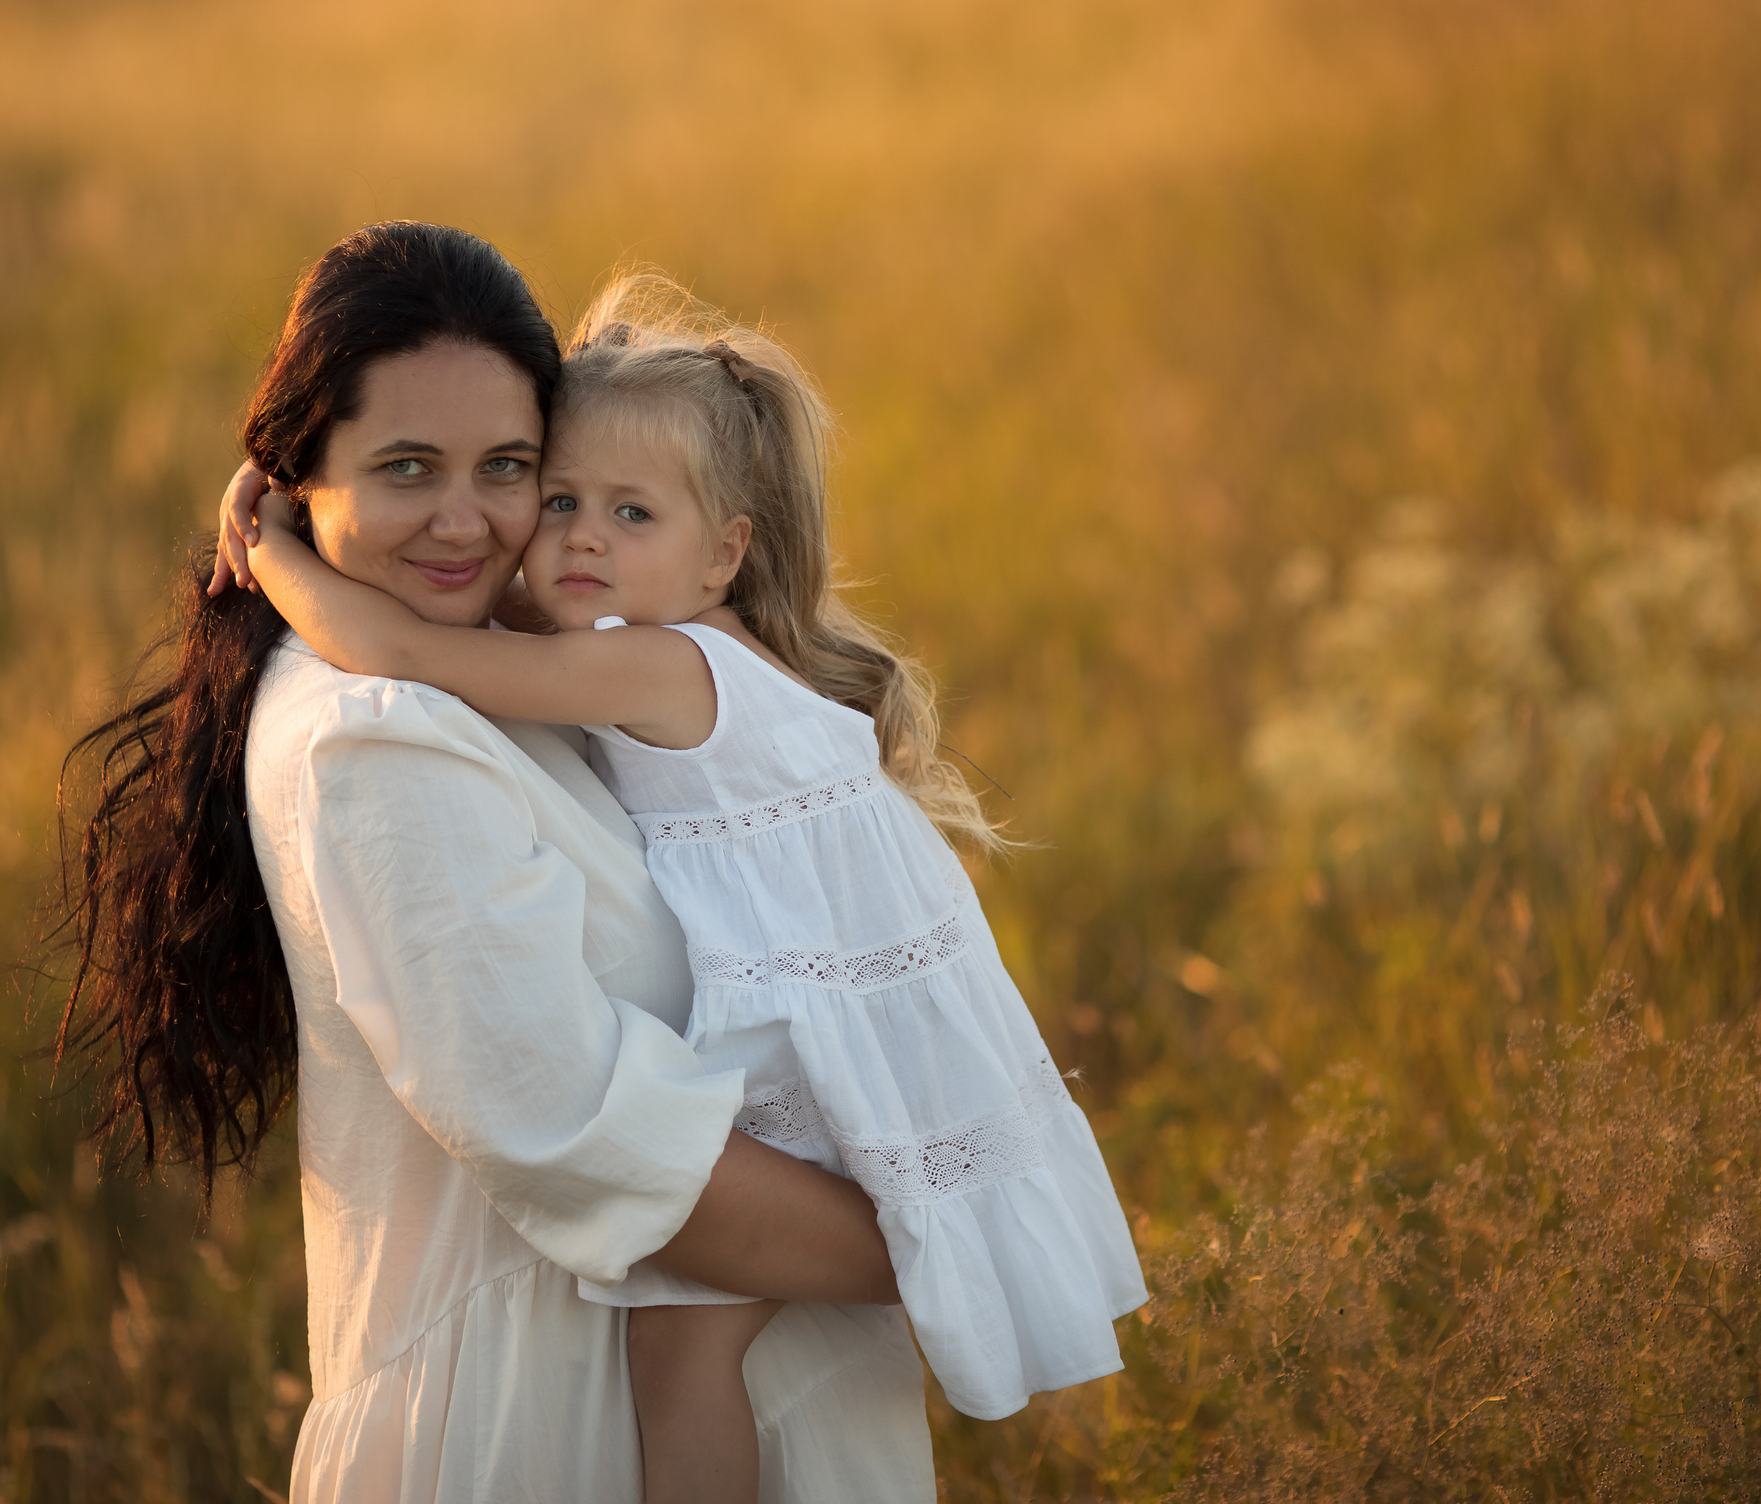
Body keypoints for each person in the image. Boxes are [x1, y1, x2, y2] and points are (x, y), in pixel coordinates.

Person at [215, 273, 1146, 1504]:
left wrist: (274, 549)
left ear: (724, 551)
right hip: (566, 1353)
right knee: (685, 1352)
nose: (565, 539)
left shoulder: (645, 663)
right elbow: (421, 650)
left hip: (809, 1054)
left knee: (685, 1352)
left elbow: (409, 643)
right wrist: (294, 501)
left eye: (510, 472)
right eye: (559, 499)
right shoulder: (409, 726)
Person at [57, 222, 938, 1504]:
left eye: (509, 468)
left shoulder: (498, 655)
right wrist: (931, 1235)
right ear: (303, 474)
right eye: (405, 468)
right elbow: (584, 1133)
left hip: (672, 1382)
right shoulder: (374, 739)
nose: (465, 521)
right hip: (543, 1429)